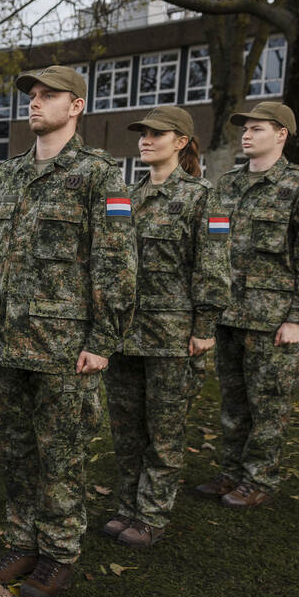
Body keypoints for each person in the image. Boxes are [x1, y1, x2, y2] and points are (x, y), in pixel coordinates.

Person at [0, 65, 137, 597]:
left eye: (49, 96)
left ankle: (60, 552)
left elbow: (116, 263)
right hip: (7, 340)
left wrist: (102, 339)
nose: (35, 103)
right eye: (32, 96)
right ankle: (22, 541)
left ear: (77, 106)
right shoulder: (10, 173)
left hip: (65, 346)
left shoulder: (99, 174)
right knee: (15, 450)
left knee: (61, 454)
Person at [102, 106, 230, 547]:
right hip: (124, 334)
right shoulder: (126, 197)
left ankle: (152, 514)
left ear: (181, 142)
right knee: (126, 429)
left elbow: (212, 267)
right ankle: (127, 506)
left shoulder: (202, 197)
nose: (146, 140)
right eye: (143, 133)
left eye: (158, 134)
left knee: (165, 431)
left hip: (172, 337)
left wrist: (205, 324)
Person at [196, 101, 299, 509]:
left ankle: (259, 480)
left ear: (281, 134)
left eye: (257, 128)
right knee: (233, 404)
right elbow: (214, 248)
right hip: (229, 316)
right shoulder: (227, 186)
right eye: (245, 128)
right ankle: (231, 472)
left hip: (273, 321)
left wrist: (298, 317)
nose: (247, 134)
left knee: (268, 405)